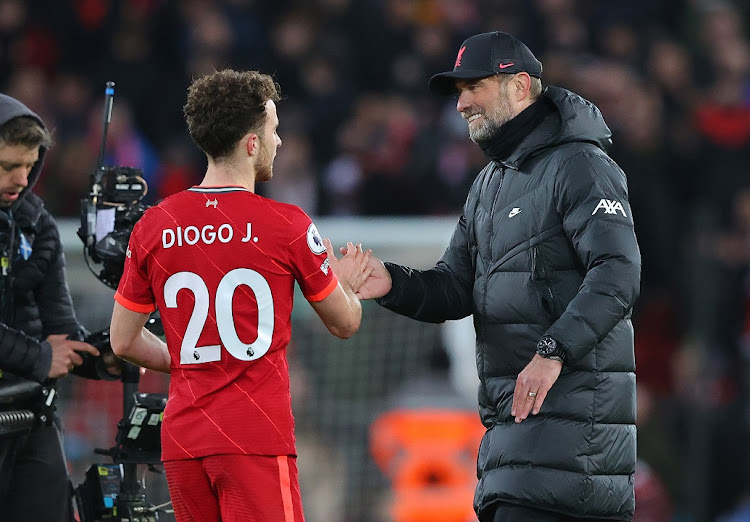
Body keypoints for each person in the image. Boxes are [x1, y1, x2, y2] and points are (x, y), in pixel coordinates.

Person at [348, 32, 641, 521]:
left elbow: (618, 270)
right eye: (458, 93)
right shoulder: (489, 183)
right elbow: (456, 287)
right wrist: (392, 282)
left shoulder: (581, 164)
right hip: (515, 446)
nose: (461, 105)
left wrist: (553, 352)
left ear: (520, 86)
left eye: (474, 88)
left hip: (575, 454)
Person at [109, 69, 370, 522]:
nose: (280, 142)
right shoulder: (287, 224)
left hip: (184, 441)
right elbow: (344, 323)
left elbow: (123, 342)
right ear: (252, 144)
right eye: (274, 130)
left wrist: (195, 360)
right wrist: (346, 283)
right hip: (254, 437)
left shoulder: (153, 225)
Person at [0, 93, 118, 521]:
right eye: (8, 166)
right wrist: (40, 356)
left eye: (29, 166)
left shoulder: (38, 220)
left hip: (32, 413)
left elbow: (59, 321)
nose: (21, 178)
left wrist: (102, 357)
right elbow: (46, 351)